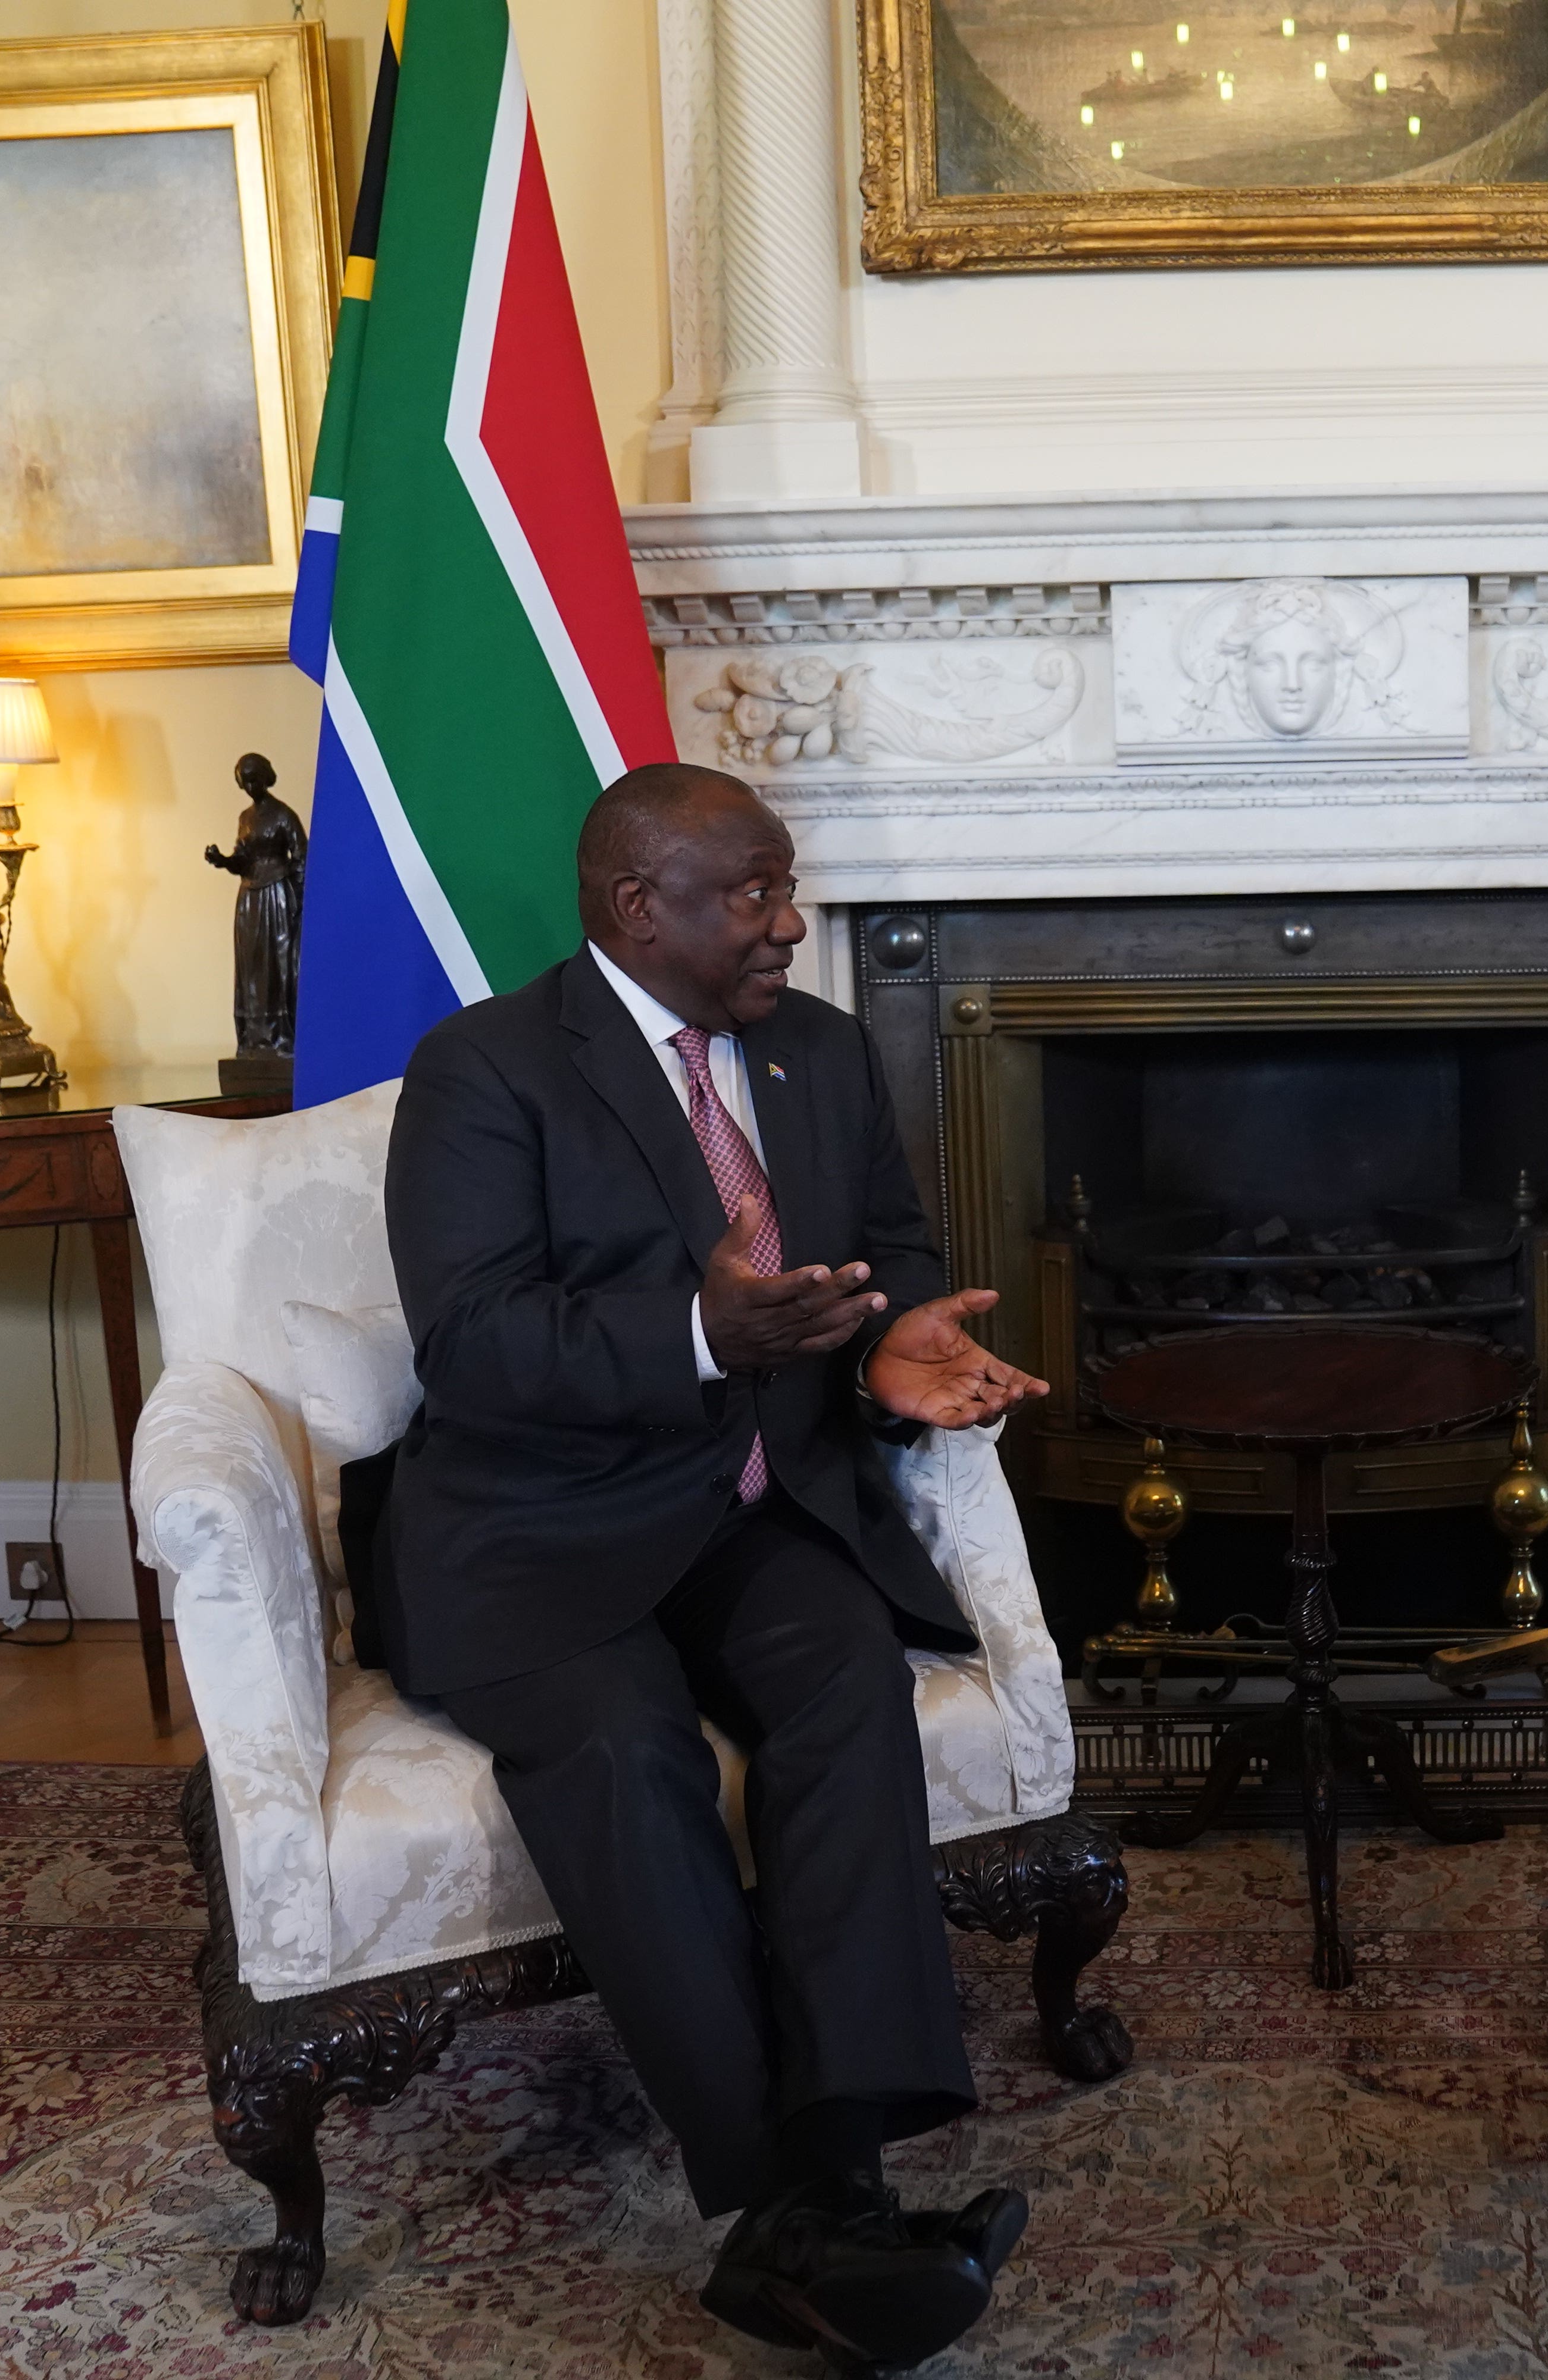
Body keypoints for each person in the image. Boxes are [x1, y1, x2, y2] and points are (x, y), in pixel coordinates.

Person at [371, 762, 1051, 2372]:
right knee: (622, 1750)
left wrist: (899, 1342)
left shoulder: (816, 1050)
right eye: (750, 892)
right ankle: (801, 2209)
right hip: (536, 1531)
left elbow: (898, 1243)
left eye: (785, 883)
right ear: (637, 907)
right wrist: (694, 1330)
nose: (790, 922)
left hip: (758, 1506)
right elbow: (468, 1343)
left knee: (846, 1692)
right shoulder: (484, 1069)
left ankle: (834, 2201)